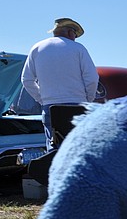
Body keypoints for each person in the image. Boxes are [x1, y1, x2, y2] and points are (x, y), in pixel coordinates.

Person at [21, 17, 98, 150]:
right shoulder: (78, 48)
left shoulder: (37, 48)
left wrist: (42, 99)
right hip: (77, 105)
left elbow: (26, 79)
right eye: (75, 34)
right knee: (77, 150)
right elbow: (92, 78)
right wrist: (87, 100)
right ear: (70, 32)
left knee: (53, 150)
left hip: (50, 106)